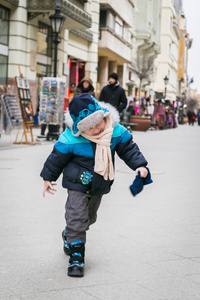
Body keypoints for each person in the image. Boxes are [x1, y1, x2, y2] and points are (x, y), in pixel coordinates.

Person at [40, 93, 152, 277]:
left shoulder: (114, 131)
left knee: (88, 218)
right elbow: (55, 159)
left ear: (103, 116)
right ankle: (77, 257)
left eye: (97, 123)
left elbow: (129, 149)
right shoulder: (71, 138)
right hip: (76, 183)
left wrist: (140, 166)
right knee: (77, 216)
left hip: (99, 183)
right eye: (89, 127)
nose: (96, 129)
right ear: (79, 128)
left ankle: (68, 234)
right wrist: (47, 178)